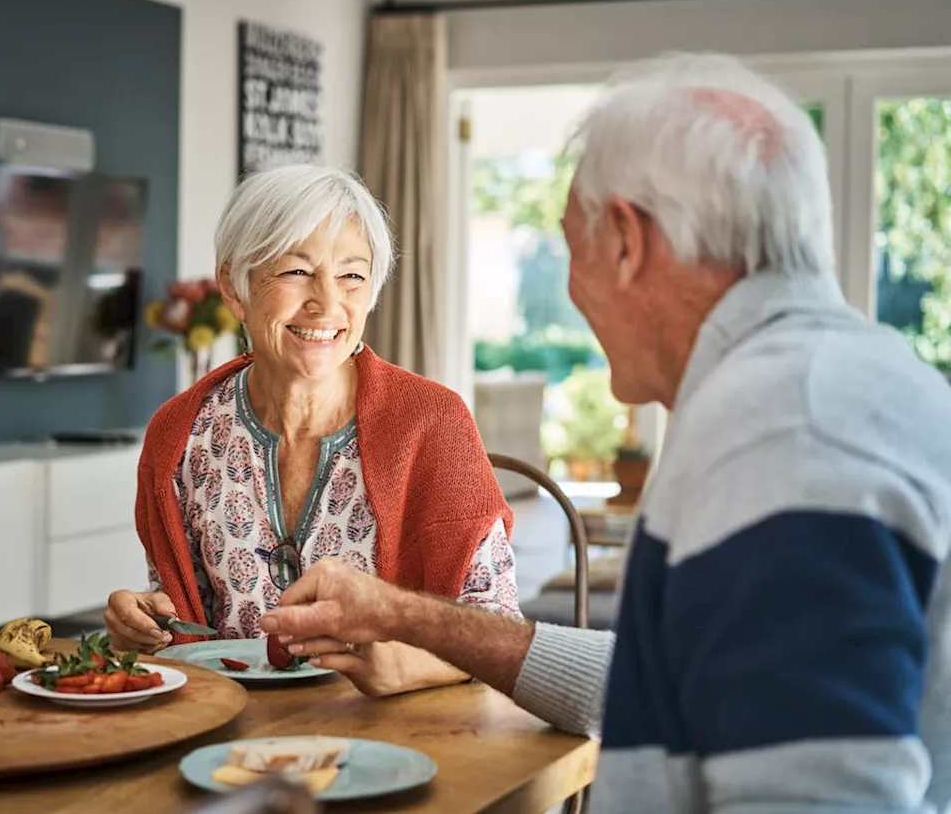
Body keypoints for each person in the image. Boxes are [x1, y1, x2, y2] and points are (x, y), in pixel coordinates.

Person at [261, 52, 951, 813]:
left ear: (625, 239)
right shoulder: (824, 384)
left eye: (570, 244)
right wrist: (403, 614)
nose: (569, 284)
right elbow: (671, 676)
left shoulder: (783, 430)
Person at [107, 163, 522, 697]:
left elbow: (498, 626)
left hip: (400, 732)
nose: (327, 304)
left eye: (352, 275)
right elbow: (187, 617)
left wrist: (406, 665)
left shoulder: (433, 422)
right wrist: (147, 620)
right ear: (236, 288)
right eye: (297, 271)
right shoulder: (180, 436)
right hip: (231, 734)